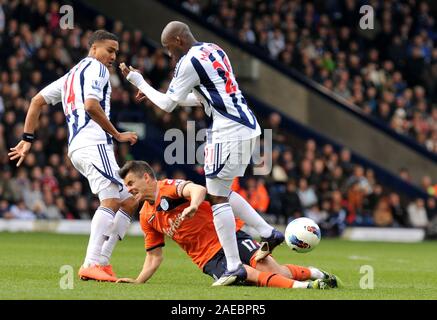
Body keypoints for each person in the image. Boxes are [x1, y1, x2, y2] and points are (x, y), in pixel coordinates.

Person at [119, 21, 284, 286]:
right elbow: (201, 98)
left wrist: (138, 80)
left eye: (169, 48)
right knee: (223, 192)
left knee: (216, 197)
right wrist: (153, 94)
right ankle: (268, 232)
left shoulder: (188, 62)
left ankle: (233, 267)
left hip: (227, 130)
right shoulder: (213, 49)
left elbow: (168, 105)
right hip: (248, 126)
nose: (169, 55)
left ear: (178, 41)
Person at [8, 30, 139, 282]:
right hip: (93, 142)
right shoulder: (98, 69)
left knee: (129, 199)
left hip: (78, 148)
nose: (113, 56)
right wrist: (118, 135)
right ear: (93, 48)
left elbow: (36, 101)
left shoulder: (70, 76)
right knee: (111, 199)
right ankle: (92, 263)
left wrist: (27, 139)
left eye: (116, 52)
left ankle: (103, 262)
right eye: (109, 50)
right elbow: (91, 105)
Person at [115, 160, 340, 289]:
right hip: (208, 259)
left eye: (131, 183)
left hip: (230, 236)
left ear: (146, 178)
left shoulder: (167, 187)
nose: (129, 189)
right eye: (126, 185)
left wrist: (193, 205)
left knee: (274, 270)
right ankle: (307, 287)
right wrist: (137, 281)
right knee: (247, 274)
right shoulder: (147, 215)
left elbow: (199, 189)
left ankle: (314, 273)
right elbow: (154, 256)